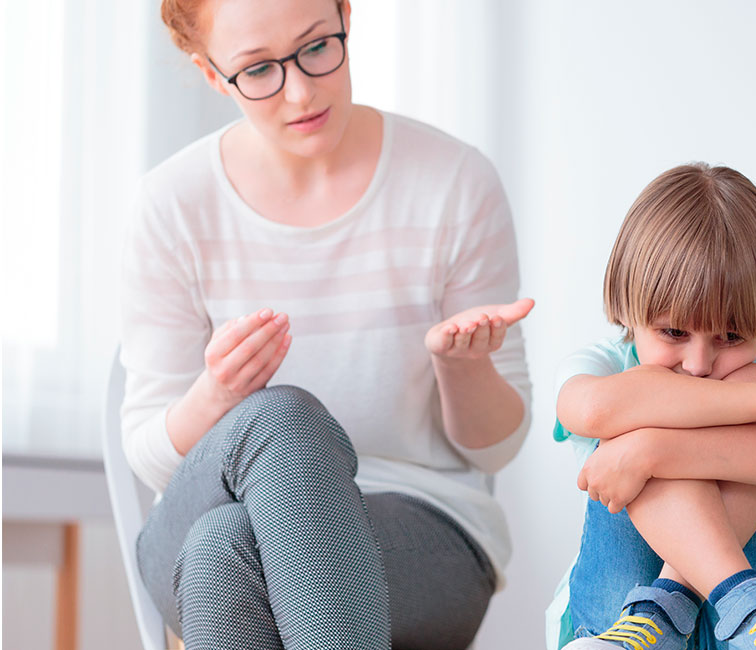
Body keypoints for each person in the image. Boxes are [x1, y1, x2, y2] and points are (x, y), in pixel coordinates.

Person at [122, 0, 531, 647]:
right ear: (210, 73)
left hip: (421, 532)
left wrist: (463, 366)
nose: (301, 92)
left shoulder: (453, 181)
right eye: (258, 70)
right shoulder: (171, 205)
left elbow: (495, 449)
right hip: (202, 507)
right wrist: (218, 397)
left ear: (346, 13)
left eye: (317, 47)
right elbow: (146, 454)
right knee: (278, 421)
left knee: (225, 551)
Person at [547, 164, 756, 650]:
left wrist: (648, 452)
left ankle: (664, 611)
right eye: (674, 333)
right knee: (638, 402)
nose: (698, 364)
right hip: (613, 630)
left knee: (743, 392)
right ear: (628, 307)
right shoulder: (603, 364)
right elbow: (587, 412)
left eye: (731, 337)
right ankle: (746, 600)